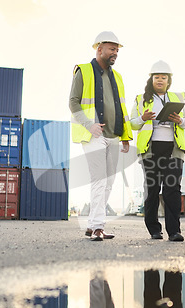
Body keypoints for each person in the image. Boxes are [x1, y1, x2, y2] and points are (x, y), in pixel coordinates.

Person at [69, 31, 133, 241]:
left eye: (117, 50)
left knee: (109, 182)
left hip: (113, 134)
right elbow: (73, 102)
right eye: (112, 49)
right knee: (99, 179)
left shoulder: (118, 77)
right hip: (93, 134)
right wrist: (89, 125)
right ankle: (98, 227)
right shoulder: (84, 70)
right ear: (99, 49)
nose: (115, 53)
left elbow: (121, 108)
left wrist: (125, 135)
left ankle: (92, 224)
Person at [130, 60, 185, 242]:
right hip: (150, 150)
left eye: (163, 77)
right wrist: (143, 118)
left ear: (168, 80)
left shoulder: (178, 98)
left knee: (172, 190)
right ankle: (154, 230)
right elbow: (132, 124)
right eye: (156, 77)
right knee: (152, 189)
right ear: (151, 79)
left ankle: (174, 231)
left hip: (173, 150)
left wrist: (179, 121)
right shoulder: (141, 99)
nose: (160, 80)